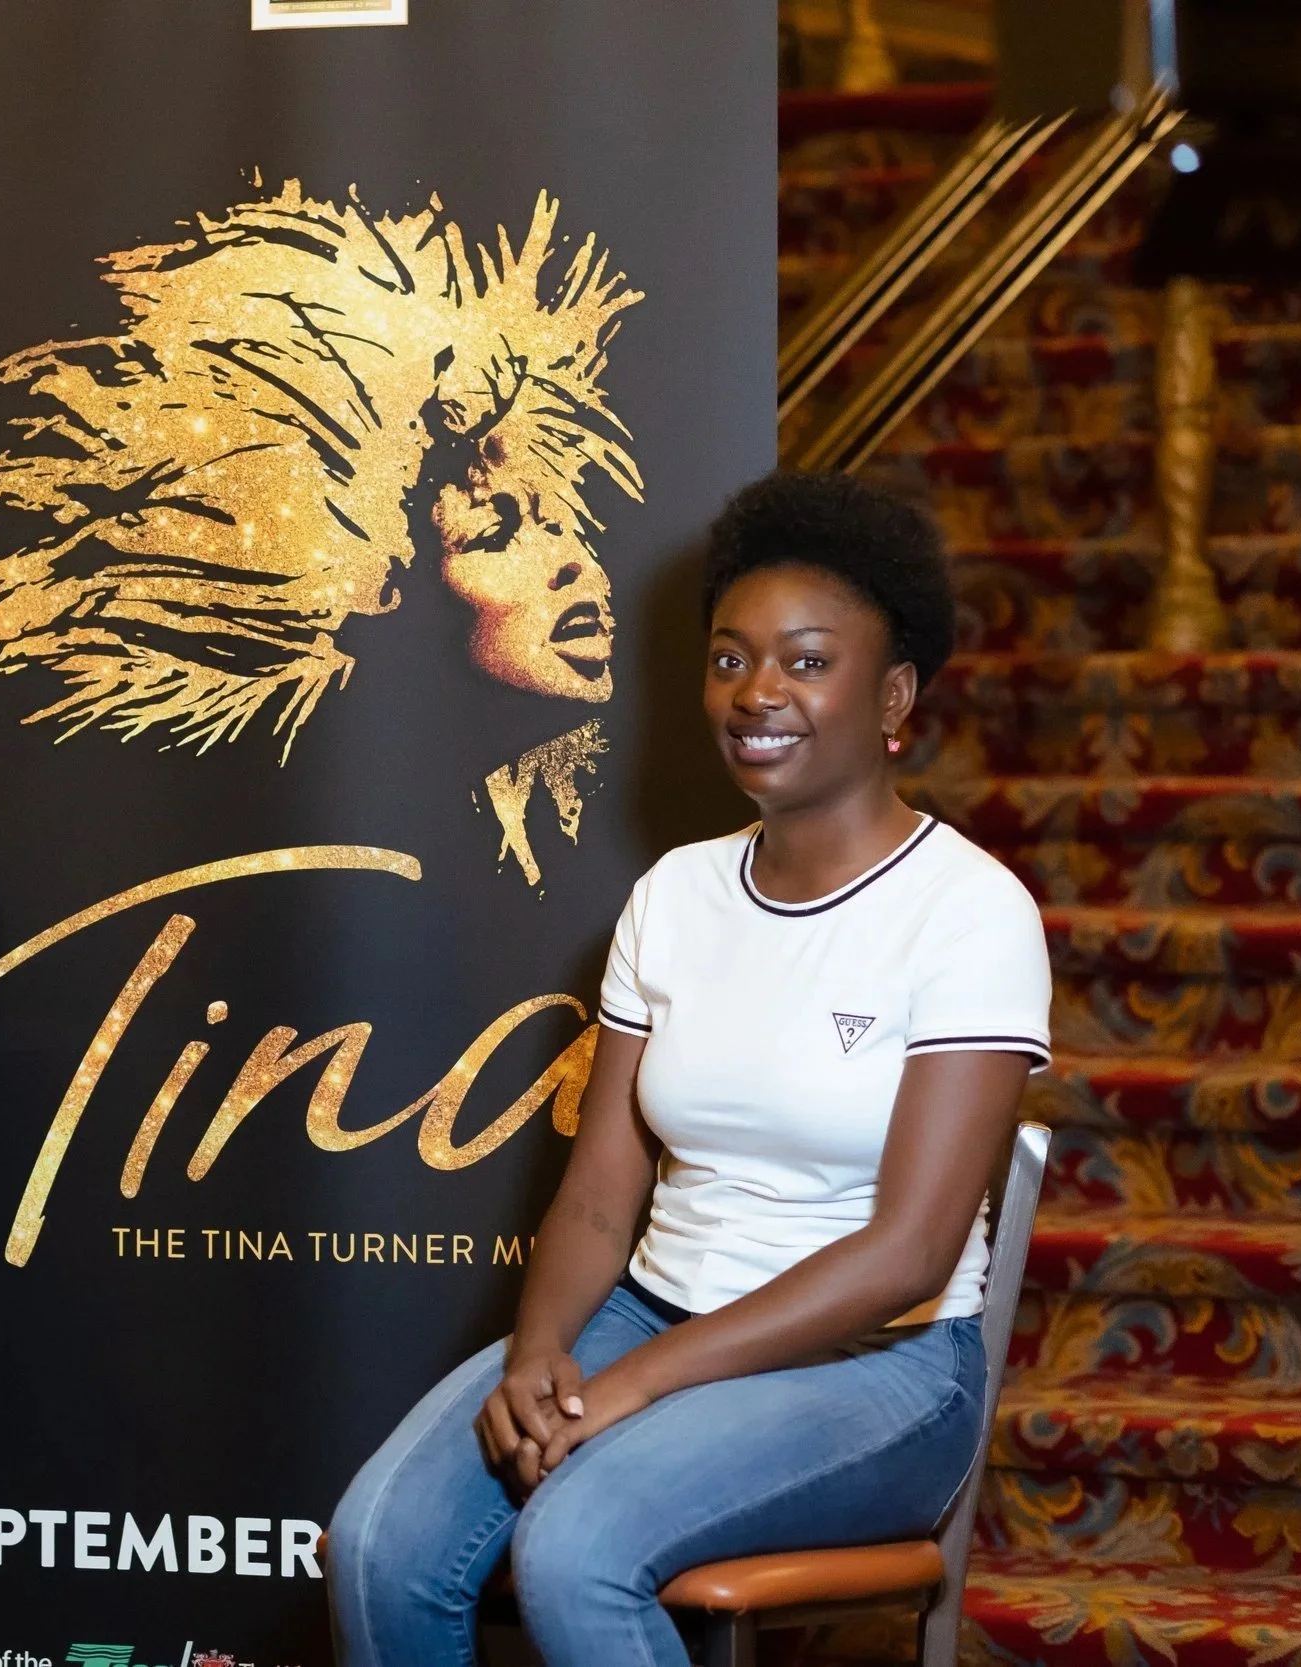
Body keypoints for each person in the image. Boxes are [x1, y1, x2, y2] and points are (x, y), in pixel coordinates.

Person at [326, 471, 1052, 1666]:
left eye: (806, 661)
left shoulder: (968, 913)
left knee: (575, 1548)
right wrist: (540, 1360)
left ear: (895, 697)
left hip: (877, 1366)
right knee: (374, 1542)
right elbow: (602, 1194)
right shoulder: (673, 893)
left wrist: (633, 1386)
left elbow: (909, 1251)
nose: (757, 691)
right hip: (645, 1313)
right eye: (729, 658)